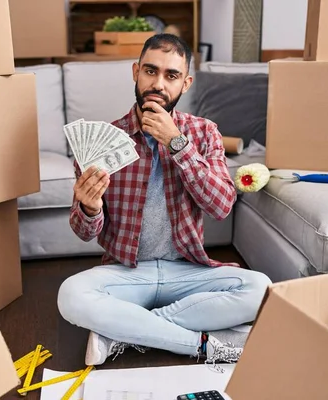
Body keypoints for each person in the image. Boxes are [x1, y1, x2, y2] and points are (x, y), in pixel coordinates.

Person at [57, 33, 272, 367]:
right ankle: (199, 344)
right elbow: (85, 232)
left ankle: (126, 331)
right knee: (69, 295)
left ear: (185, 84)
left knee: (261, 289)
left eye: (171, 76)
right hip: (127, 274)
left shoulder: (204, 133)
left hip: (186, 272)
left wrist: (176, 143)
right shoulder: (104, 141)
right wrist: (90, 207)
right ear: (135, 72)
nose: (158, 83)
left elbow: (221, 206)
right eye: (150, 71)